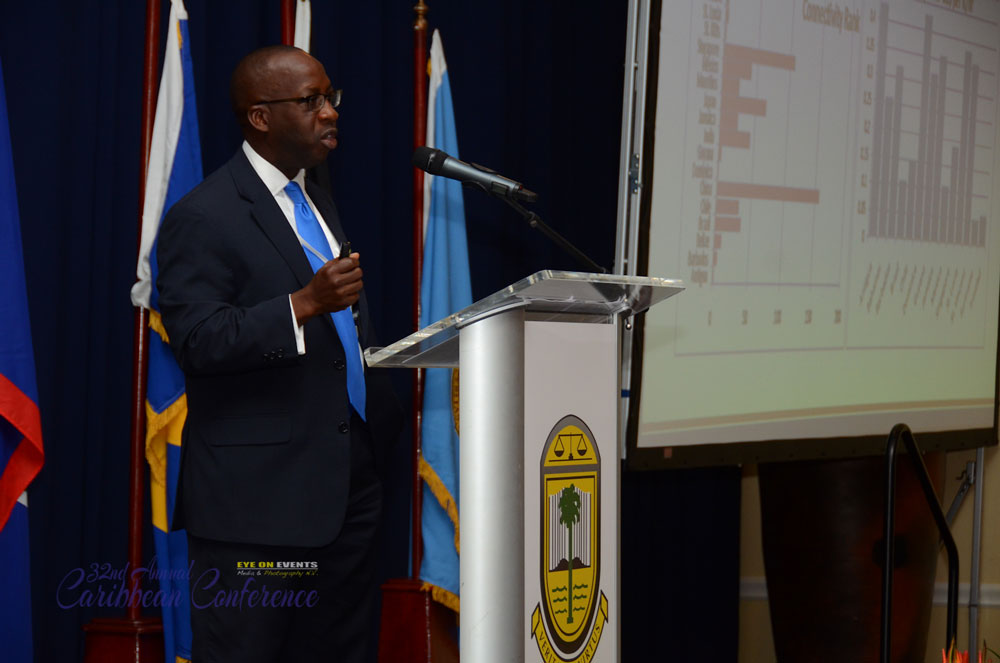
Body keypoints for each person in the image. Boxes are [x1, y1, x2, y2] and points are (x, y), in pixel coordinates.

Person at [156, 45, 402, 662]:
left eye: (330, 97)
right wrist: (301, 304)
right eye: (310, 101)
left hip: (347, 486)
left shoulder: (316, 198)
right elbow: (198, 340)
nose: (330, 112)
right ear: (260, 117)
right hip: (257, 506)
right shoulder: (203, 215)